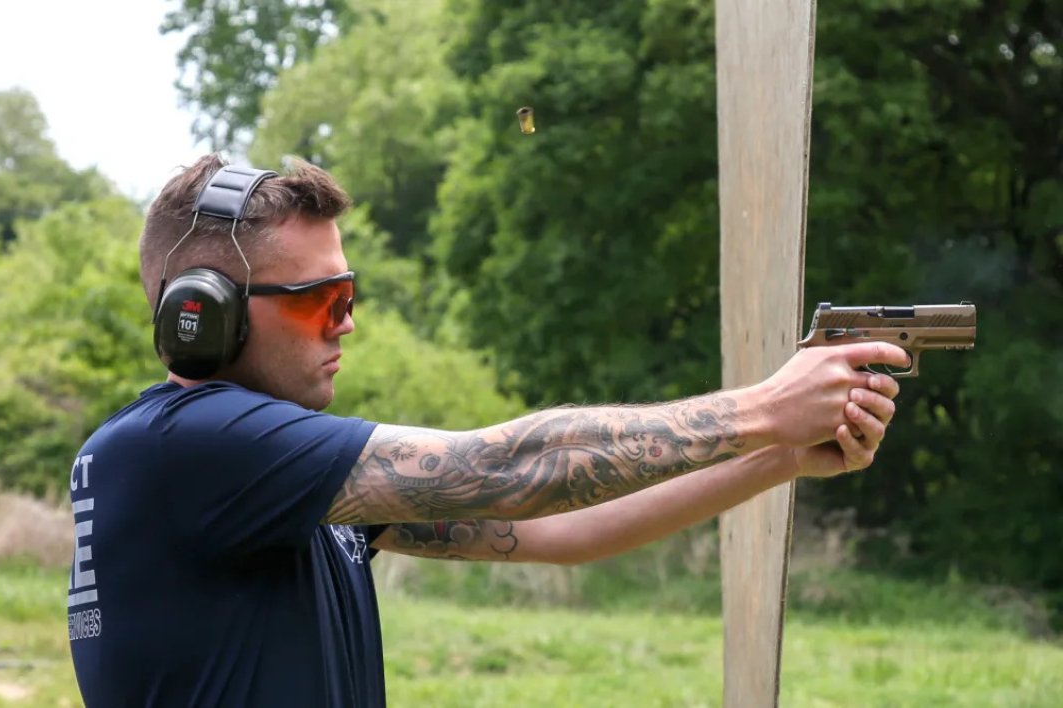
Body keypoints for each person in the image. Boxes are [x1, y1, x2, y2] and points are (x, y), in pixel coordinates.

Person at [67, 154, 909, 707]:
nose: (347, 322)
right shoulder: (187, 445)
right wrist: (762, 408)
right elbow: (506, 467)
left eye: (349, 294)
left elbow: (559, 528)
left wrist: (780, 455)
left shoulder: (256, 479)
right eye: (321, 299)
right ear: (202, 313)